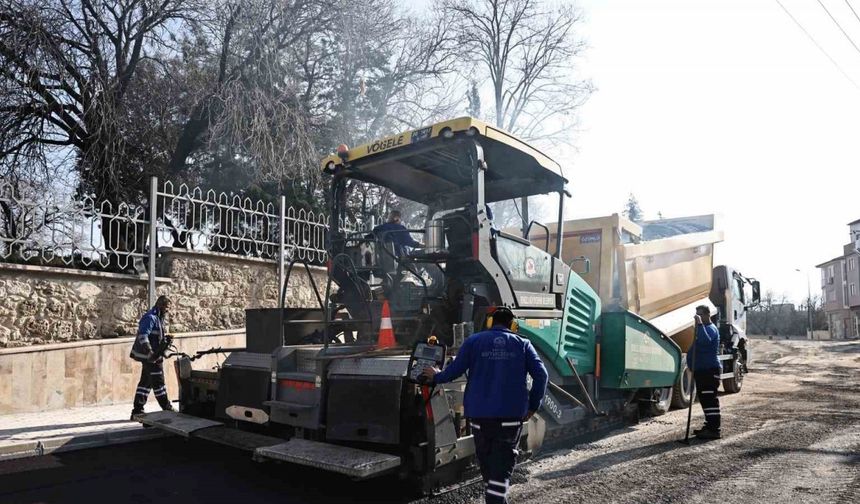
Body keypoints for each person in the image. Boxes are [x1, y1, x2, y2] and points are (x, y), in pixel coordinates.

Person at [422, 307, 548, 504]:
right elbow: (542, 375)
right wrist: (533, 406)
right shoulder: (523, 344)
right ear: (512, 325)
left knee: (490, 470)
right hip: (510, 420)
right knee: (500, 473)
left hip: (480, 420)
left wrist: (436, 375)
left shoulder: (473, 341)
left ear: (490, 323)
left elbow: (453, 371)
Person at [129, 296, 175, 419]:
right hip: (150, 357)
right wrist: (150, 352)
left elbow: (156, 337)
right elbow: (143, 336)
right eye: (166, 308)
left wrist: (166, 342)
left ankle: (137, 410)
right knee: (159, 383)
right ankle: (167, 408)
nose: (167, 310)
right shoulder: (150, 318)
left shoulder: (159, 318)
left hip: (154, 356)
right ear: (160, 305)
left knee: (145, 383)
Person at [692, 305, 722, 439]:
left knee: (709, 399)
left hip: (709, 370)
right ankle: (709, 425)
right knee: (705, 399)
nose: (697, 317)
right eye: (696, 315)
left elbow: (704, 342)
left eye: (699, 315)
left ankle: (714, 430)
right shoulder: (703, 329)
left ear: (707, 315)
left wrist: (699, 324)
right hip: (702, 370)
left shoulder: (710, 329)